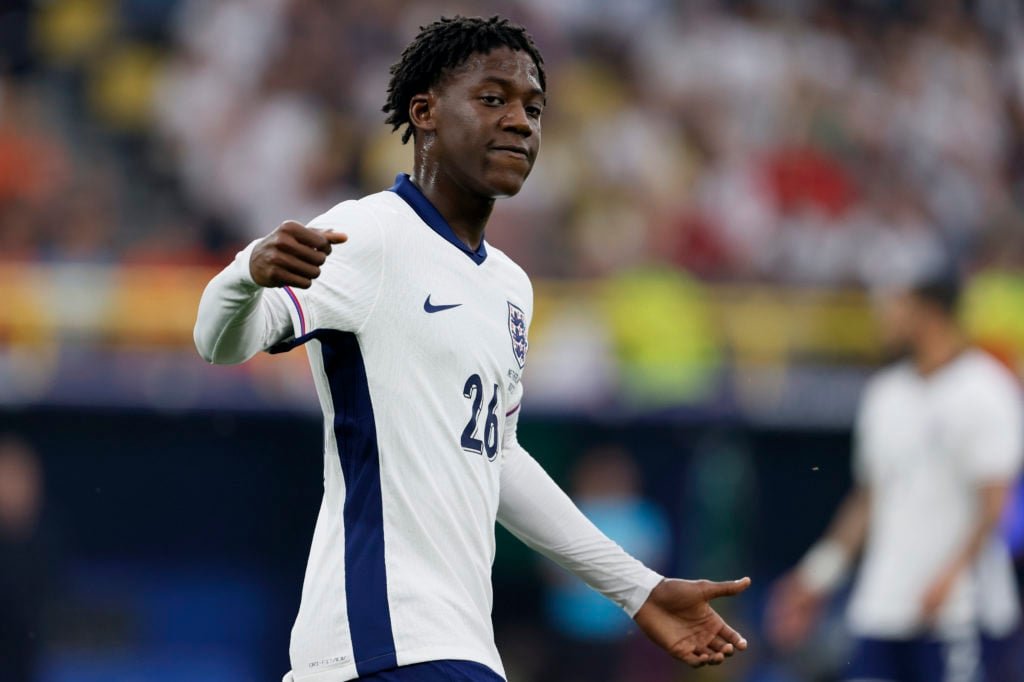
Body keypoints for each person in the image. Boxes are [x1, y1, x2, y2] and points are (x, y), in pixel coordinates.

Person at [194, 15, 750, 682]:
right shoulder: (367, 236)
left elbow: (499, 461)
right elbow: (220, 343)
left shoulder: (510, 287)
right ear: (424, 112)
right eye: (493, 99)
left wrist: (637, 588)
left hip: (451, 644)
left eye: (533, 108)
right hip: (382, 642)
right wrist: (244, 273)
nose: (520, 121)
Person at [766, 275, 1024, 682]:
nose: (884, 320)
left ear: (929, 313)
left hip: (958, 612)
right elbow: (869, 500)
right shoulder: (885, 395)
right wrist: (815, 577)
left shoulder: (986, 390)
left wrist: (948, 578)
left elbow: (995, 503)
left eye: (895, 308)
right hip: (884, 606)